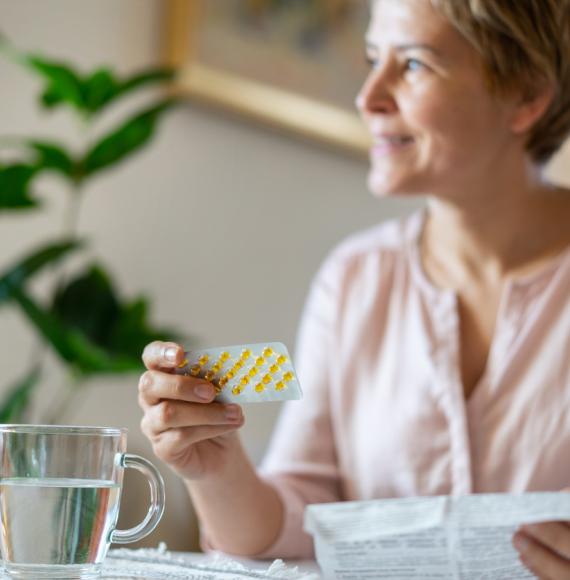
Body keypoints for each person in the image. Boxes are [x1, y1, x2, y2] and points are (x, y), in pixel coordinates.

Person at [138, 0, 570, 577]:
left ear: (526, 96)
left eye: (413, 65)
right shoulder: (354, 279)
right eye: (372, 59)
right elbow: (298, 526)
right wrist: (216, 471)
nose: (368, 98)